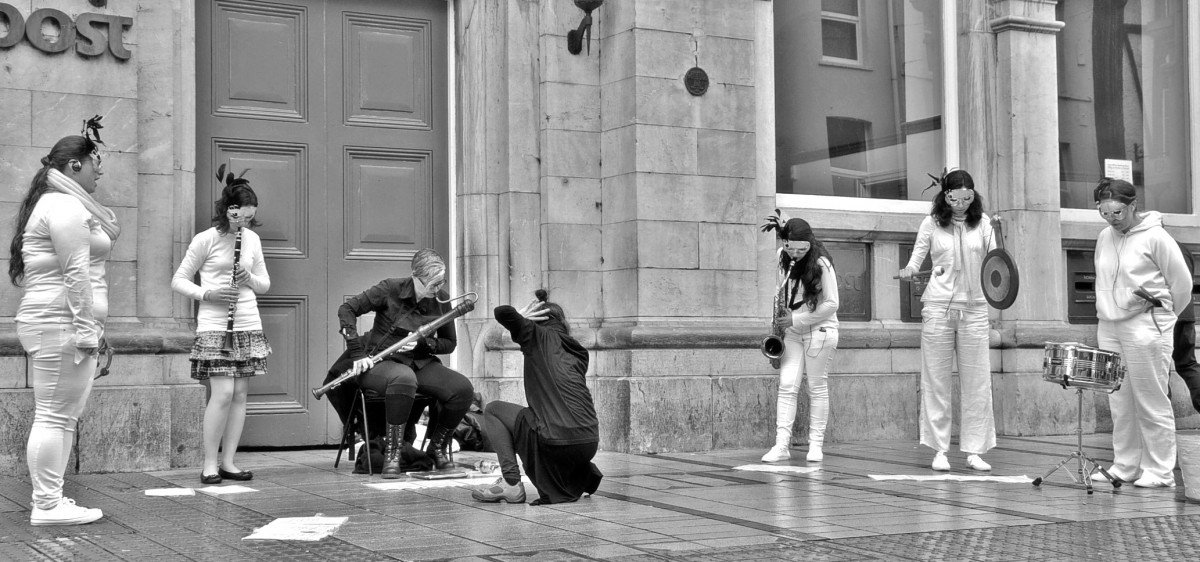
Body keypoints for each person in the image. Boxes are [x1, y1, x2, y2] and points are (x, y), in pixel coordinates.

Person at [10, 117, 117, 525]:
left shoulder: (56, 203)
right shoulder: (65, 205)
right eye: (95, 164)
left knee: (59, 415)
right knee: (55, 416)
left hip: (59, 322)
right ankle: (47, 504)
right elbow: (76, 272)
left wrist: (90, 328)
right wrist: (87, 330)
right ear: (75, 165)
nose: (100, 172)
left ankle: (51, 498)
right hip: (61, 324)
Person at [324, 249, 474, 477]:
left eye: (440, 282)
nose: (437, 290)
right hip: (381, 362)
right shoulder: (389, 289)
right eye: (432, 284)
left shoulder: (440, 300)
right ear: (415, 277)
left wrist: (424, 346)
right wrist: (356, 353)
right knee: (403, 379)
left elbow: (449, 343)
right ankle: (393, 454)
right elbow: (347, 309)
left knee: (461, 389)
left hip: (420, 362)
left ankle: (436, 448)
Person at [171, 166, 271, 485]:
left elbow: (265, 284)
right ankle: (209, 463)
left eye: (250, 218)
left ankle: (229, 462)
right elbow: (179, 280)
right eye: (241, 217)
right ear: (228, 211)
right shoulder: (206, 240)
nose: (245, 223)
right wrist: (209, 293)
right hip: (215, 324)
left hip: (247, 322)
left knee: (240, 392)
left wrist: (249, 279)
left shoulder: (252, 240)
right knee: (223, 392)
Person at [1089, 178, 1191, 488]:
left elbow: (1182, 283)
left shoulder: (1156, 237)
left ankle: (1160, 470)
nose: (1111, 219)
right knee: (1119, 399)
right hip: (1110, 324)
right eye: (1104, 213)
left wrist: (1164, 314)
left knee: (1151, 397)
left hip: (1146, 323)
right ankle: (1125, 464)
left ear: (1134, 206)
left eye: (1117, 212)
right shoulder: (1104, 236)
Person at [898, 169, 997, 472]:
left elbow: (997, 264)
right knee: (936, 378)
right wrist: (909, 270)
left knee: (977, 380)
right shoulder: (931, 223)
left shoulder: (984, 223)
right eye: (955, 196)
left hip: (975, 307)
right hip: (939, 306)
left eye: (967, 196)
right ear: (945, 196)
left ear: (973, 196)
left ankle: (975, 449)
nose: (961, 203)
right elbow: (917, 258)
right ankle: (939, 448)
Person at [470, 290, 603, 505]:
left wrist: (524, 315)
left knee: (493, 410)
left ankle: (511, 484)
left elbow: (502, 312)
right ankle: (568, 478)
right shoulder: (577, 349)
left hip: (557, 441)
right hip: (589, 443)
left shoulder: (536, 335)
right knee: (539, 418)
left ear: (538, 319)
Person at [758, 215, 840, 463]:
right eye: (789, 248)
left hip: (820, 330)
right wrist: (780, 327)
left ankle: (816, 446)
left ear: (810, 244)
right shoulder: (781, 258)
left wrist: (797, 320)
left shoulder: (822, 263)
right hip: (792, 331)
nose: (795, 254)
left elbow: (832, 303)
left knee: (817, 387)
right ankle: (781, 445)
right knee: (787, 385)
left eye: (801, 249)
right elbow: (780, 293)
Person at [1171, 243, 1200, 414]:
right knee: (1188, 363)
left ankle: (1162, 422)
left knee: (1159, 369)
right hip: (1187, 316)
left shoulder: (1151, 245)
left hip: (1165, 316)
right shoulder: (1184, 249)